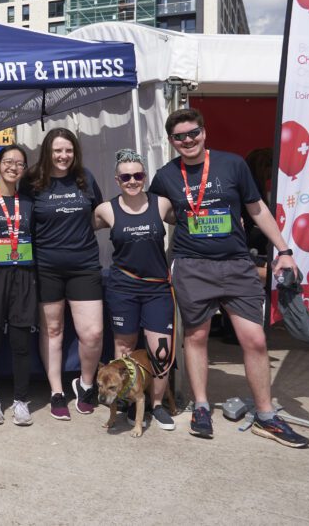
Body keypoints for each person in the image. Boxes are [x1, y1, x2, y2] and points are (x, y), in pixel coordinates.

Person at [149, 108, 309, 447]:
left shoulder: (233, 164)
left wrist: (284, 250)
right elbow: (159, 214)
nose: (188, 140)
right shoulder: (165, 175)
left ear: (204, 132)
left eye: (193, 133)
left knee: (255, 339)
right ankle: (202, 407)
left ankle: (266, 416)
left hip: (237, 264)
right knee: (196, 337)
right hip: (192, 265)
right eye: (180, 137)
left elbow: (256, 209)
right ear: (171, 141)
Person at [92, 148, 177, 431]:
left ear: (145, 176)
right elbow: (75, 231)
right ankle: (128, 402)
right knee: (124, 350)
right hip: (123, 288)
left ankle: (157, 405)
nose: (132, 181)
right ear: (117, 180)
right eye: (126, 176)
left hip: (156, 289)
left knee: (160, 352)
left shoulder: (161, 204)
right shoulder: (106, 209)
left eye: (138, 175)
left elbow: (191, 221)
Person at [24, 127, 104, 421]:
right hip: (46, 267)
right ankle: (56, 391)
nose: (63, 156)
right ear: (47, 152)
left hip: (84, 266)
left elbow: (98, 216)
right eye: (57, 150)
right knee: (53, 331)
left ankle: (85, 384)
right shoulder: (32, 182)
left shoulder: (86, 178)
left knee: (92, 333)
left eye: (68, 150)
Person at [0, 144, 38, 427]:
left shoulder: (30, 202)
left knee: (21, 343)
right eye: (9, 162)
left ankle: (20, 400)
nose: (14, 167)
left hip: (24, 276)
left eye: (20, 163)